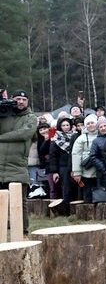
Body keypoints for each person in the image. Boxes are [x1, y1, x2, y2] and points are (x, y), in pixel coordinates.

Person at [0, 90, 38, 234]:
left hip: (17, 167)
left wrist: (1, 137)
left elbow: (25, 134)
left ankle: (23, 233)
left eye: (24, 99)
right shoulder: (3, 115)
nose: (21, 101)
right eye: (18, 99)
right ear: (12, 99)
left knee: (19, 203)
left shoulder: (31, 117)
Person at [49, 117, 78, 214]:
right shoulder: (55, 138)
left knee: (76, 187)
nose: (66, 127)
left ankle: (76, 210)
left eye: (67, 125)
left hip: (74, 165)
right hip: (63, 167)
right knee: (66, 189)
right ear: (59, 126)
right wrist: (54, 171)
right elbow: (53, 157)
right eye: (63, 125)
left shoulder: (75, 136)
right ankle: (67, 211)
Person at [70, 114, 99, 203]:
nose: (90, 125)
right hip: (87, 172)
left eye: (92, 123)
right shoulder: (81, 138)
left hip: (100, 170)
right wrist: (77, 173)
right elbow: (76, 155)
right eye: (88, 123)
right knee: (88, 193)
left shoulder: (102, 135)